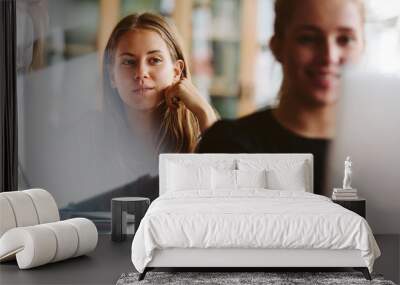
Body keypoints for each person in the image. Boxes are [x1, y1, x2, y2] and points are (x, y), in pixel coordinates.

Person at [197, 0, 365, 196]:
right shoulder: (229, 146)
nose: (329, 56)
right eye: (308, 39)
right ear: (277, 46)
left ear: (363, 46)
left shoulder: (387, 152)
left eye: (345, 39)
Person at [103, 12, 217, 154]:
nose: (141, 73)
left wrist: (204, 113)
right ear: (112, 75)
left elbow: (225, 173)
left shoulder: (198, 137)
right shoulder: (89, 136)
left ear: (176, 72)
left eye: (155, 60)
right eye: (128, 62)